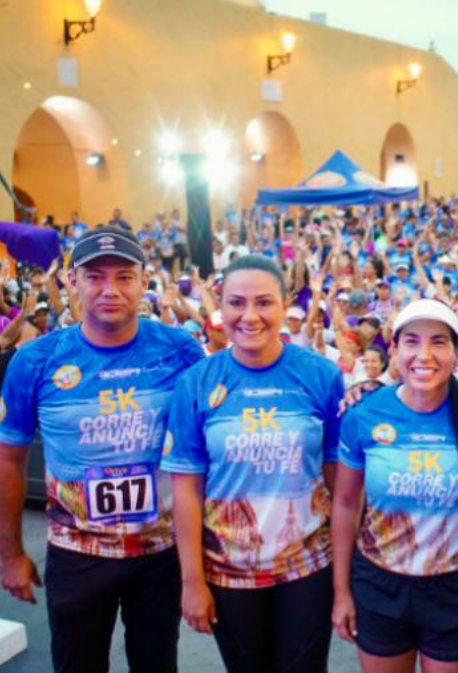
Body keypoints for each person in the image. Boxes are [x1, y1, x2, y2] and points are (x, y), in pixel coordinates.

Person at [0, 226, 204, 673]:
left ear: (144, 281)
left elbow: (217, 429)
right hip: (78, 554)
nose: (110, 289)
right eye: (95, 276)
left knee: (157, 663)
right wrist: (10, 555)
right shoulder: (36, 361)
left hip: (161, 554)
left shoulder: (180, 351)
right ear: (71, 282)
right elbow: (8, 462)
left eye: (124, 276)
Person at [161, 254, 345, 673]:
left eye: (264, 303)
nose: (250, 316)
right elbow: (186, 491)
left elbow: (339, 483)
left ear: (284, 306)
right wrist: (191, 581)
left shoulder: (320, 375)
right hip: (229, 572)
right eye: (235, 303)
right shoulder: (197, 382)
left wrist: (346, 572)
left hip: (308, 568)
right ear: (220, 308)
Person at [331, 299, 458, 673]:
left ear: (457, 353)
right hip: (379, 583)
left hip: (455, 586)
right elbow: (344, 505)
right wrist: (341, 591)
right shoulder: (364, 414)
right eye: (412, 341)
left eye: (438, 342)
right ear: (394, 349)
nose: (424, 354)